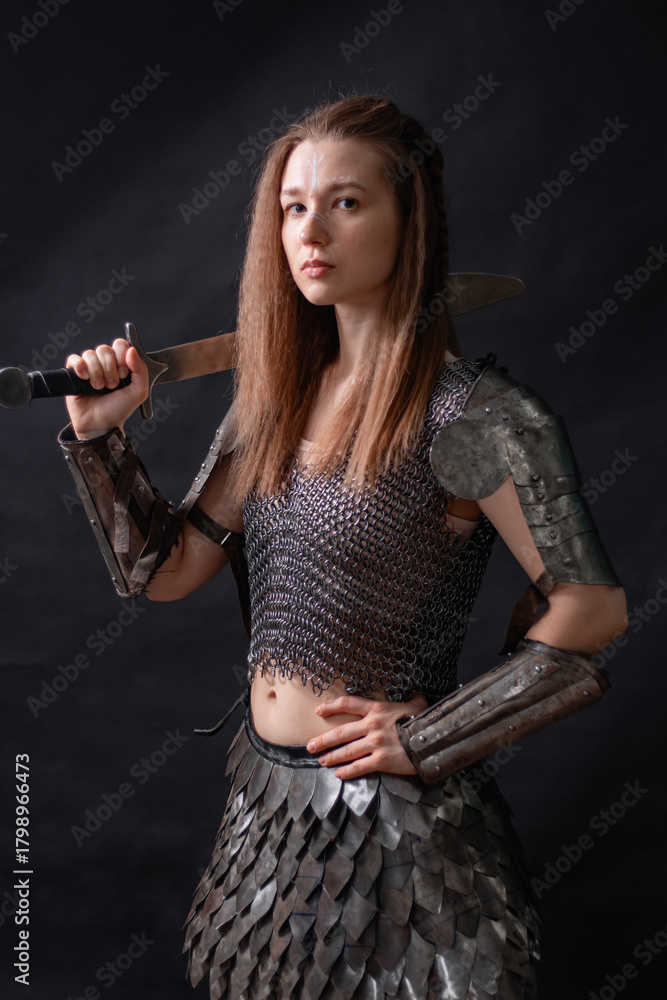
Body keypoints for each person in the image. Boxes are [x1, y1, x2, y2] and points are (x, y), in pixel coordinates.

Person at [59, 96, 626, 1000]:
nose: (310, 230)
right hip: (266, 821)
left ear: (411, 219)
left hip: (404, 839)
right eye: (292, 206)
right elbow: (163, 573)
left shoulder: (473, 417)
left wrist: (432, 734)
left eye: (347, 202)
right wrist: (100, 440)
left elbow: (591, 608)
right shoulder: (271, 404)